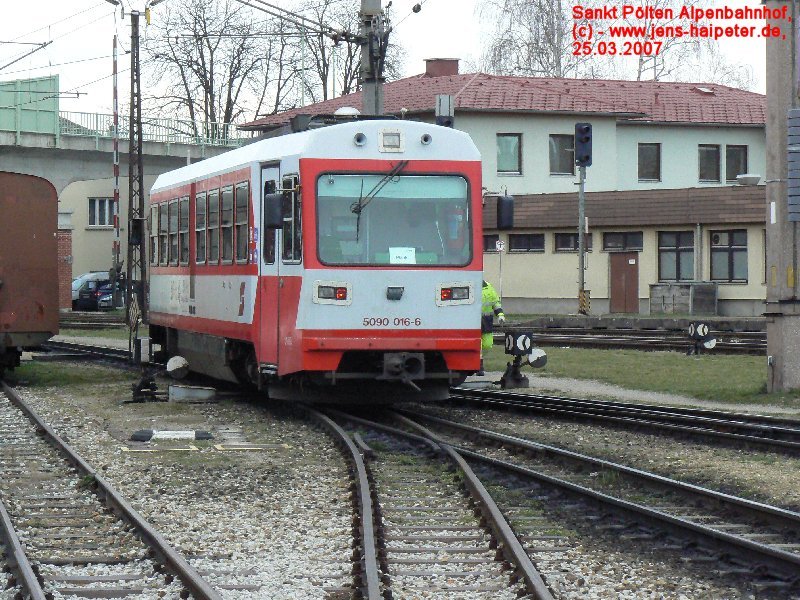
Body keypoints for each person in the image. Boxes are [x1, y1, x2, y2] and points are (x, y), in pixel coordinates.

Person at [478, 279, 505, 376]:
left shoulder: (489, 286)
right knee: (477, 344)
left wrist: (500, 315)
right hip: (473, 321)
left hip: (487, 320)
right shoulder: (471, 286)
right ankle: (479, 367)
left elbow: (495, 303)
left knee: (487, 344)